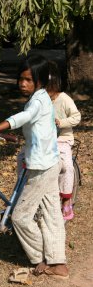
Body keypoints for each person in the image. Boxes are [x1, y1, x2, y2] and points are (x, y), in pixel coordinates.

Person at [0, 54, 68, 279]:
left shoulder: (37, 101)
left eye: (28, 80)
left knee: (20, 217)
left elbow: (25, 116)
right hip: (49, 162)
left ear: (41, 81)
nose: (22, 84)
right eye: (21, 79)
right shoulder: (43, 97)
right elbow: (37, 126)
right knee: (51, 213)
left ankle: (40, 258)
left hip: (41, 167)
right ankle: (59, 264)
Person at [47, 61, 81, 220]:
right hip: (44, 140)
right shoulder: (40, 100)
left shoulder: (64, 99)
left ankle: (66, 200)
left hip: (62, 140)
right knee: (22, 158)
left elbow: (76, 117)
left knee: (66, 166)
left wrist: (61, 122)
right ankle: (19, 195)